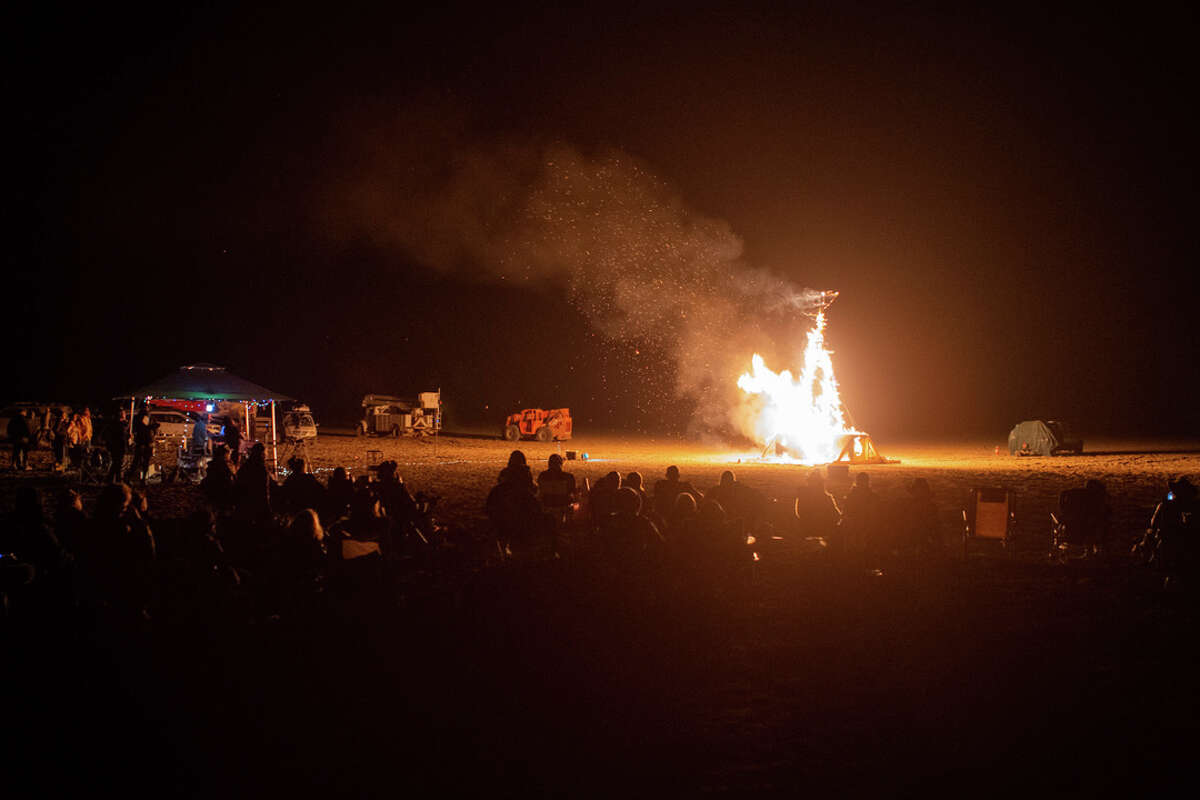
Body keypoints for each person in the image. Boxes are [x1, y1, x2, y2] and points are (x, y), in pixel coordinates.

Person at [486, 452, 548, 557]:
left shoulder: (499, 488)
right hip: (518, 519)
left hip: (501, 519)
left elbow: (489, 508)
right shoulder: (524, 491)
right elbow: (534, 492)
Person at [794, 470, 842, 551]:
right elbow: (836, 516)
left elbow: (799, 513)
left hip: (807, 531)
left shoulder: (802, 496)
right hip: (823, 532)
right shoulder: (826, 498)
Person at [841, 472, 882, 565]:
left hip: (861, 529)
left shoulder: (851, 496)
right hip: (862, 529)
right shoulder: (873, 497)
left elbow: (845, 513)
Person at [130, 406, 158, 483]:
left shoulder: (150, 418)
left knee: (144, 461)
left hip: (147, 442)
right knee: (138, 461)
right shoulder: (139, 419)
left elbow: (152, 430)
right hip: (142, 442)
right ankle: (131, 477)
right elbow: (142, 429)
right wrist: (151, 427)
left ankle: (142, 478)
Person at [104, 407, 130, 484]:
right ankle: (113, 479)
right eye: (124, 413)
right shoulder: (118, 424)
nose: (125, 415)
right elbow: (120, 435)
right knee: (117, 463)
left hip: (117, 446)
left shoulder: (117, 424)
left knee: (117, 463)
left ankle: (114, 479)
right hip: (117, 446)